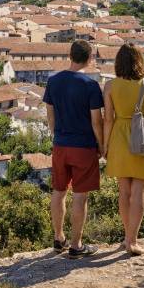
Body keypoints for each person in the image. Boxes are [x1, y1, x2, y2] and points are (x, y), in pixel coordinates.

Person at [43, 39, 104, 258]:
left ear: (70, 55)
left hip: (60, 144)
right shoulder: (90, 86)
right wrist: (102, 145)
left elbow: (50, 113)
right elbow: (97, 121)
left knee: (58, 191)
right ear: (89, 58)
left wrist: (55, 135)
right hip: (83, 147)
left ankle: (58, 238)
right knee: (80, 196)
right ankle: (76, 245)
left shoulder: (54, 81)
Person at [102, 43, 144, 256]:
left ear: (118, 63)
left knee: (124, 191)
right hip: (143, 138)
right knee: (139, 191)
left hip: (119, 137)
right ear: (139, 62)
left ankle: (127, 237)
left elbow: (108, 119)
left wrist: (105, 145)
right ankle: (132, 240)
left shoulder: (110, 86)